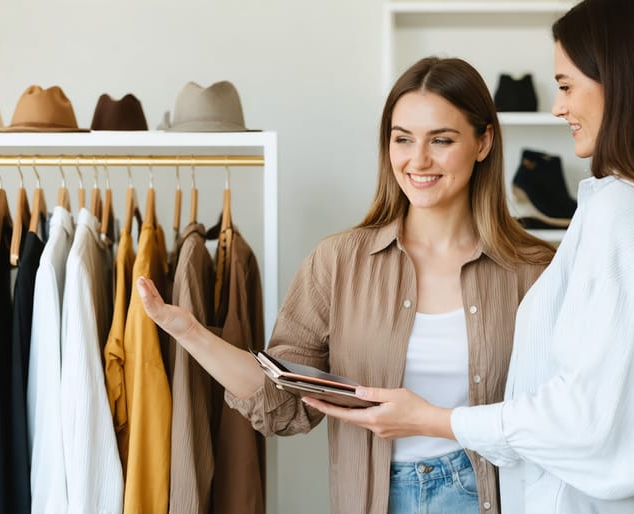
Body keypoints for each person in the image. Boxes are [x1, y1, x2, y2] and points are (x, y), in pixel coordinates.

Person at [304, 1, 634, 513]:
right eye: (403, 139)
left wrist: (435, 419)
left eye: (566, 86)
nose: (558, 107)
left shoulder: (622, 215)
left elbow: (586, 415)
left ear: (623, 80)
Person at [135, 56, 554, 514]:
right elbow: (281, 402)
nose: (418, 159)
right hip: (375, 498)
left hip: (493, 495)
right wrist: (187, 332)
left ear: (483, 141)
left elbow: (557, 416)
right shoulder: (339, 262)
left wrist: (438, 423)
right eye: (403, 139)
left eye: (442, 139)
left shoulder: (535, 271)